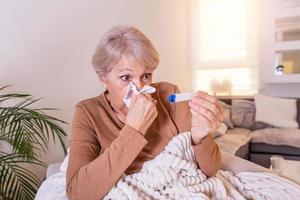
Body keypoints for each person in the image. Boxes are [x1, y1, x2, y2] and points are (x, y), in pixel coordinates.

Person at [66, 25, 223, 200]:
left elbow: (210, 170)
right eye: (126, 78)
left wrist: (201, 137)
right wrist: (134, 130)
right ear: (103, 79)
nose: (139, 88)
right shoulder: (87, 112)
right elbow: (77, 193)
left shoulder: (169, 95)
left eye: (146, 75)